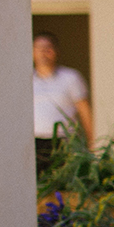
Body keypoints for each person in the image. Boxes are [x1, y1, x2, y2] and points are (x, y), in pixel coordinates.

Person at [32, 31, 93, 174]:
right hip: (35, 142)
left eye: (48, 48)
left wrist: (92, 144)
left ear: (56, 51)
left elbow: (84, 111)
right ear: (33, 52)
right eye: (39, 48)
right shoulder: (26, 79)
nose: (43, 53)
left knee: (64, 184)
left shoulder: (71, 78)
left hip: (64, 141)